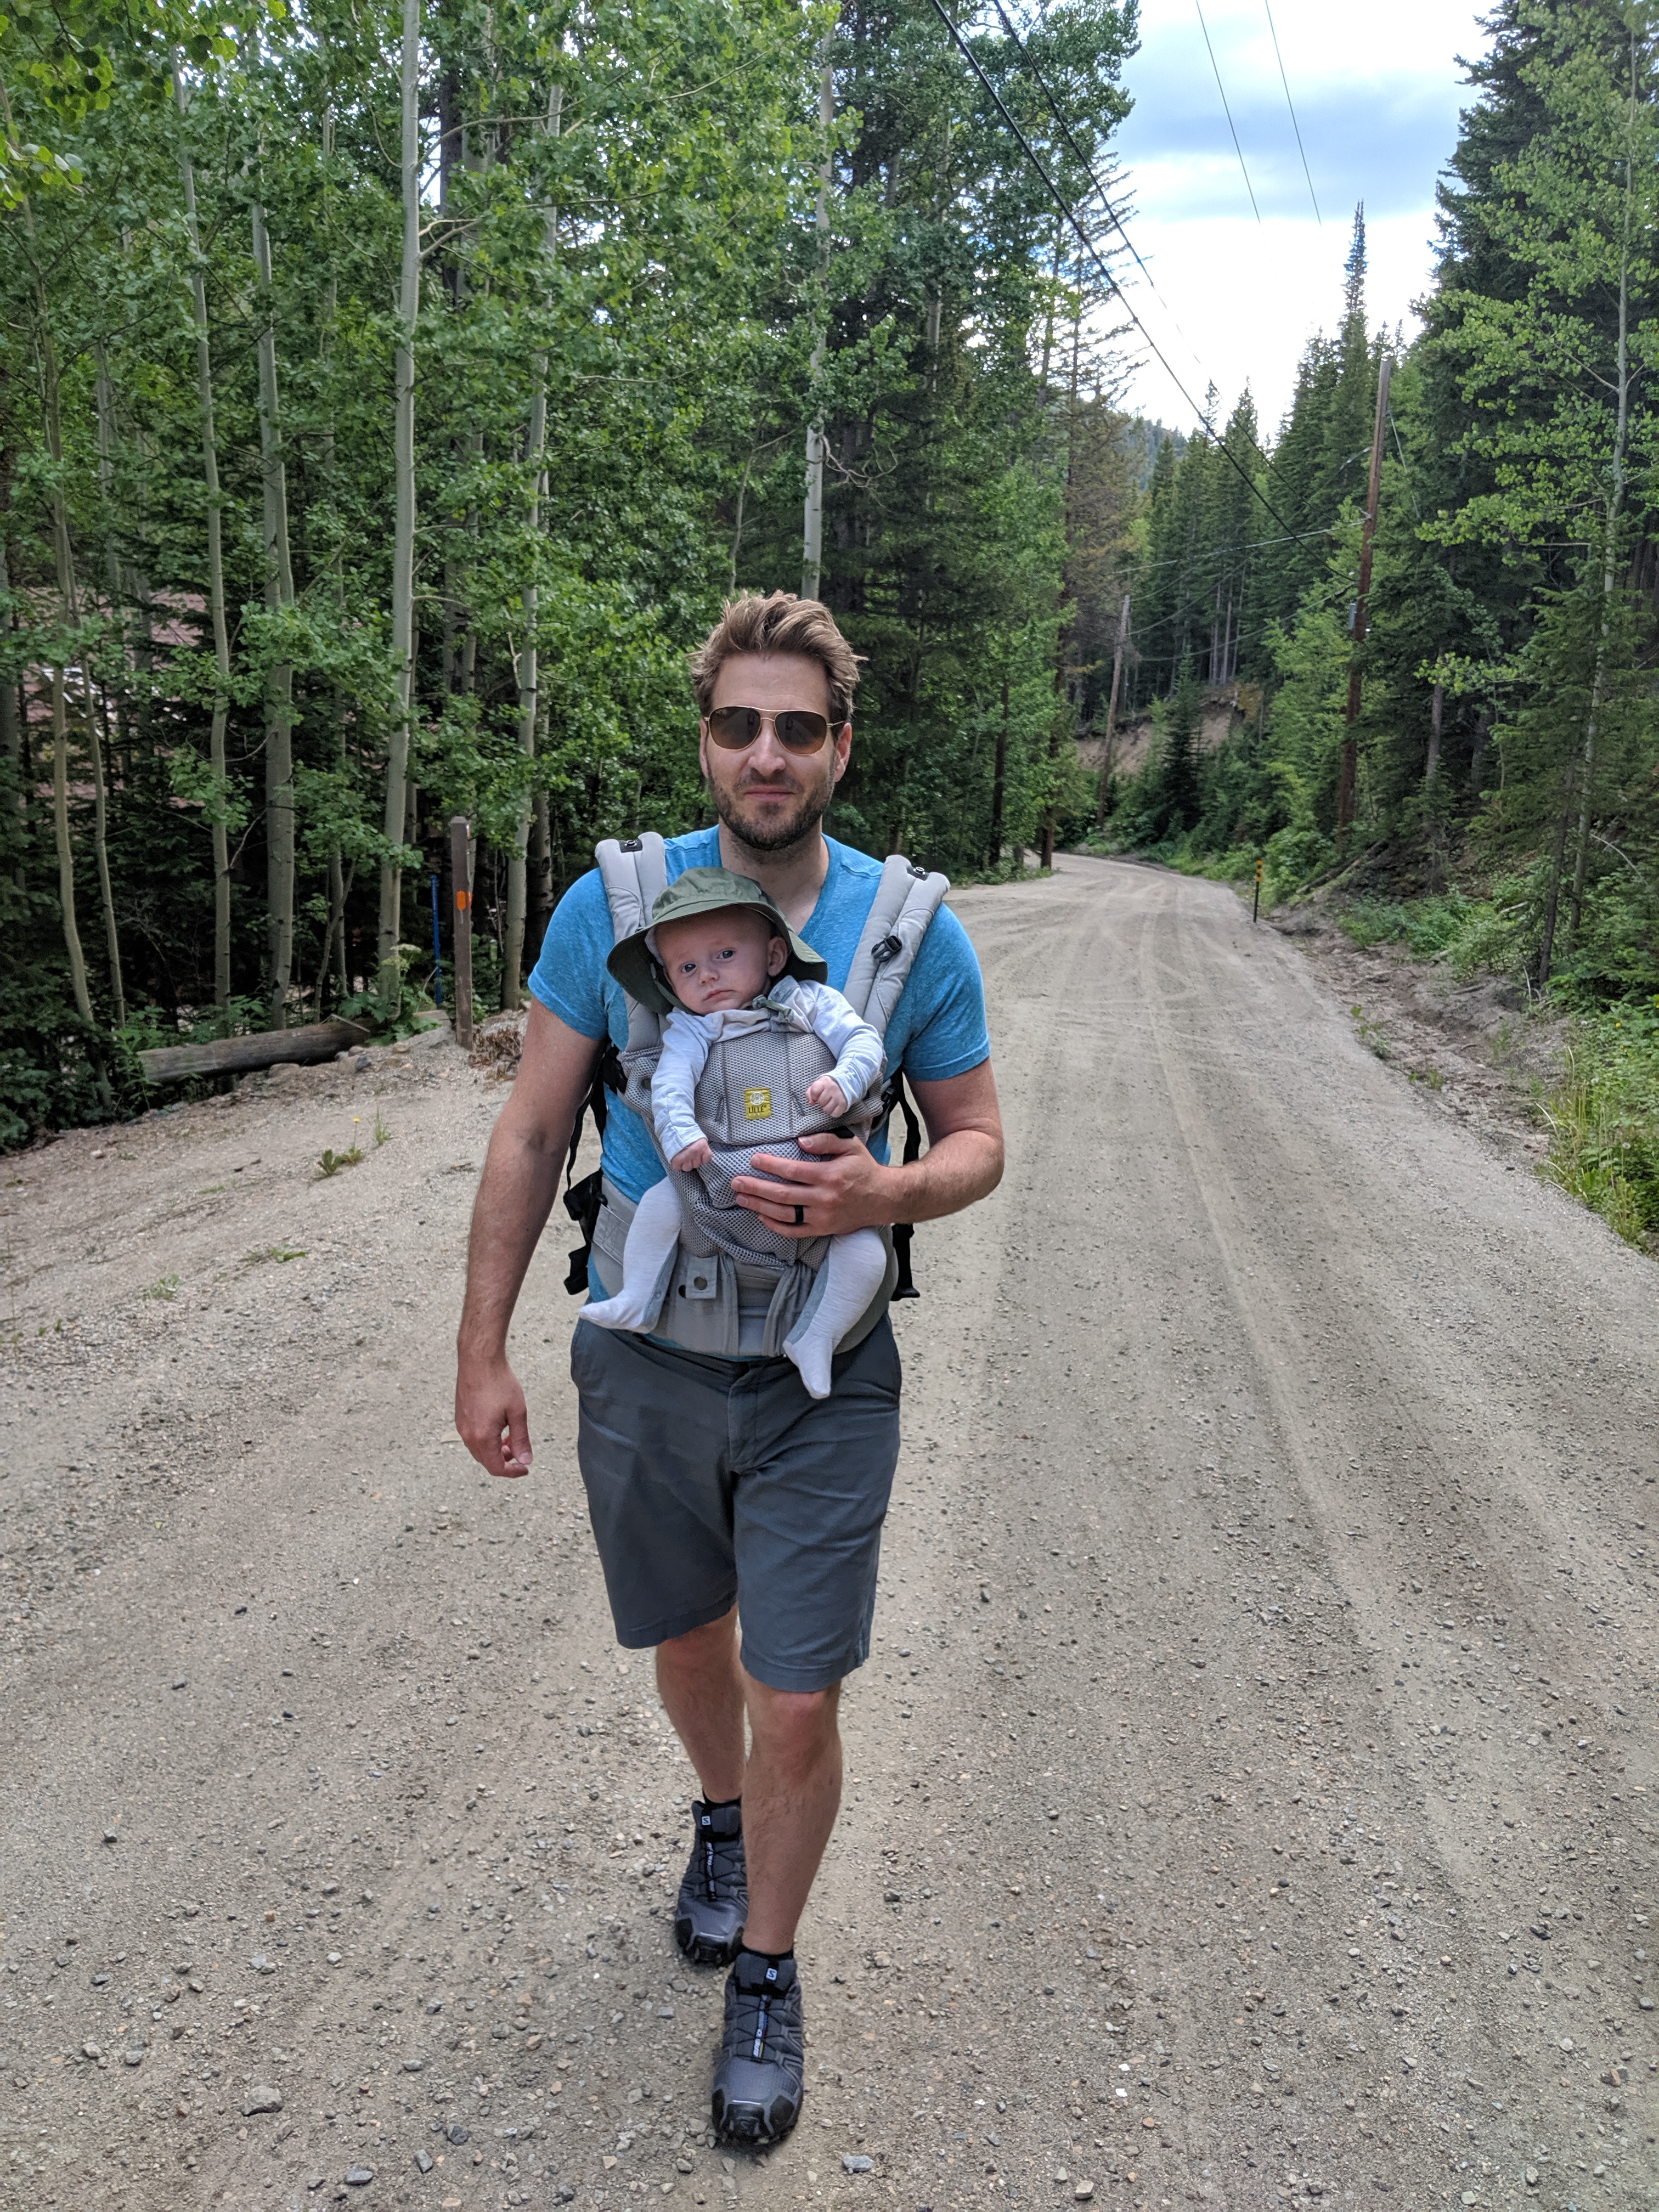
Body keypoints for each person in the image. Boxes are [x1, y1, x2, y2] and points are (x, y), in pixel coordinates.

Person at [454, 589, 1002, 2145]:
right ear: (707, 739)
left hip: (825, 1371)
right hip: (651, 1363)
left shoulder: (907, 936)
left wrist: (882, 1194)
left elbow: (978, 1145)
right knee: (688, 1639)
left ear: (839, 746)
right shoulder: (611, 910)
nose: (766, 755)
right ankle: (715, 1814)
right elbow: (531, 1130)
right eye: (738, 724)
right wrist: (480, 1348)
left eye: (798, 728)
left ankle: (766, 1969)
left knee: (801, 1692)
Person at [580, 866, 889, 1399]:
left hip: (817, 1188)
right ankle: (636, 1296)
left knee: (867, 1254)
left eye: (724, 955)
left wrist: (846, 1078)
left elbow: (865, 1043)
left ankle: (815, 1337)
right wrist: (679, 1136)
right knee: (660, 1204)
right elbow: (670, 1088)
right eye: (688, 966)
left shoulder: (810, 1003)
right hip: (714, 1182)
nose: (707, 976)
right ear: (669, 983)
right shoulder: (691, 1029)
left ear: (772, 956)